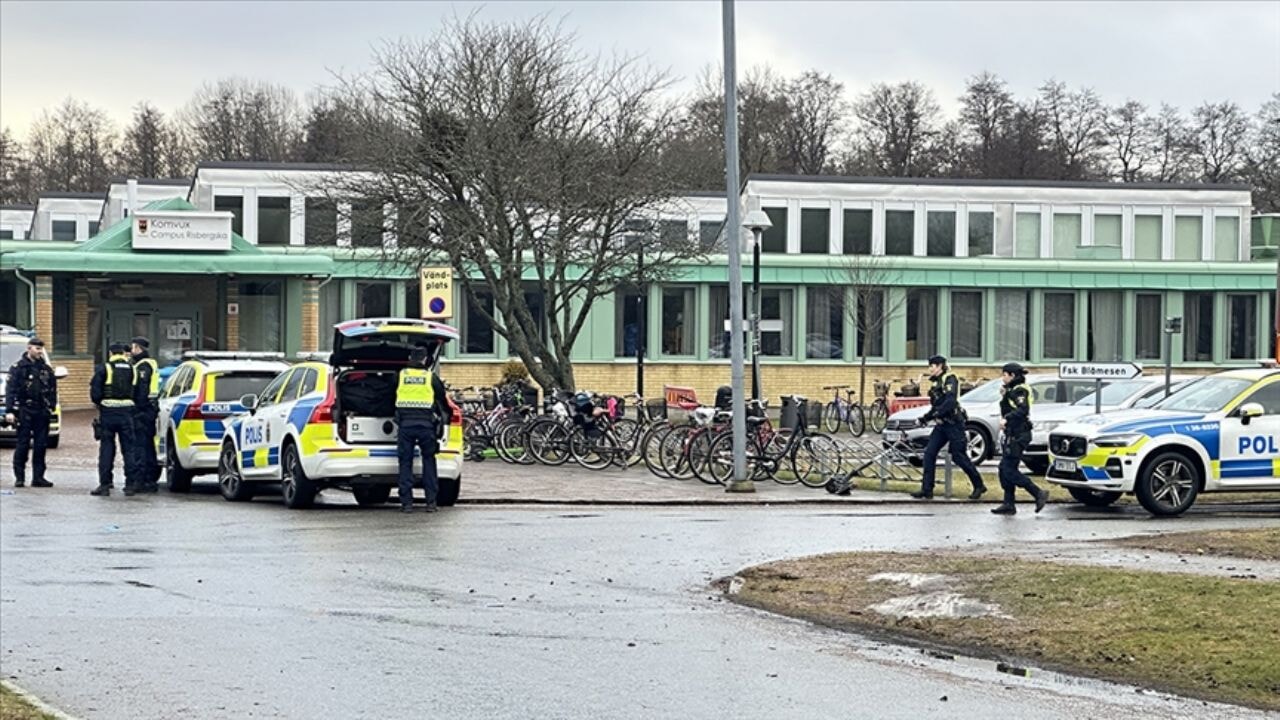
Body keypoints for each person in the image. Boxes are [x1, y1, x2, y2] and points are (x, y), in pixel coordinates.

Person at [911, 355, 987, 500]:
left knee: (959, 456)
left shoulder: (950, 379)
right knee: (929, 453)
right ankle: (927, 490)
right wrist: (925, 418)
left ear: (940, 366)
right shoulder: (936, 383)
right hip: (941, 425)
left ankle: (979, 485)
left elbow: (950, 401)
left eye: (932, 366)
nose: (930, 369)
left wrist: (937, 414)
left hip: (954, 424)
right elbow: (937, 405)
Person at [394, 346, 449, 514]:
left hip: (406, 426)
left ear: (410, 357)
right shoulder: (430, 377)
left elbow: (388, 395)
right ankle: (431, 503)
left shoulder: (401, 376)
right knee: (429, 462)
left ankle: (406, 504)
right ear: (425, 359)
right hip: (426, 426)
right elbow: (442, 398)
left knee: (405, 463)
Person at [992, 362, 1048, 515]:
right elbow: (1007, 407)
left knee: (1008, 470)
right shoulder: (1012, 390)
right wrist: (1004, 396)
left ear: (1012, 376)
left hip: (1019, 435)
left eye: (1005, 374)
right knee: (1006, 469)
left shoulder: (1020, 390)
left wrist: (1007, 419)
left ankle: (1038, 493)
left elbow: (1023, 410)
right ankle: (1008, 503)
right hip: (1013, 434)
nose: (1002, 377)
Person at [4, 337, 57, 488]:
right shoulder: (18, 368)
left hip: (41, 410)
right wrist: (9, 410)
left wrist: (51, 406)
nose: (39, 352)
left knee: (41, 445)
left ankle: (38, 477)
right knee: (23, 444)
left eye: (41, 349)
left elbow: (53, 388)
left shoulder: (45, 369)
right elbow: (11, 391)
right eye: (37, 348)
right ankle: (19, 477)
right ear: (29, 348)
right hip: (25, 409)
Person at [90, 342, 139, 497]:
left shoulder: (104, 368)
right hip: (127, 413)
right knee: (129, 450)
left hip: (108, 413)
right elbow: (137, 392)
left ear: (111, 353)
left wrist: (101, 404)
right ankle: (130, 485)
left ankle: (105, 485)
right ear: (123, 354)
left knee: (106, 449)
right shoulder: (133, 369)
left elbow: (95, 393)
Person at [129, 337, 161, 493]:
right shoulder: (150, 364)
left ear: (138, 348)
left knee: (140, 446)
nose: (131, 351)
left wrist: (136, 409)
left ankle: (142, 480)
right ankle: (150, 479)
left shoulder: (142, 366)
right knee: (148, 446)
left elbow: (141, 391)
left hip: (143, 411)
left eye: (133, 348)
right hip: (149, 410)